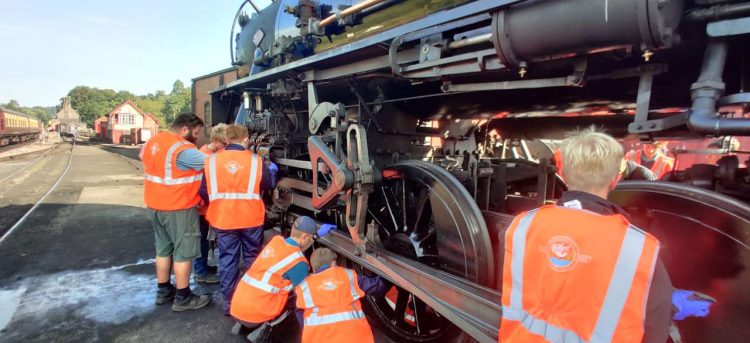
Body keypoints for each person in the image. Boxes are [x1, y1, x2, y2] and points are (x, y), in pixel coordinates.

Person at [500, 129, 714, 342]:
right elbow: (652, 327)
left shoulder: (523, 224)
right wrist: (668, 303)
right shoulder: (638, 246)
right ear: (615, 179)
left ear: (562, 174)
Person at [198, 124, 277, 315]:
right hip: (251, 218)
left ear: (226, 140)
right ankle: (253, 300)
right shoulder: (256, 161)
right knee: (253, 259)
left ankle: (229, 304)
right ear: (246, 139)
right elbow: (270, 183)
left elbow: (203, 191)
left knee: (227, 260)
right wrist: (272, 170)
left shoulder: (211, 161)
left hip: (223, 219)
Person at [140, 113, 211, 311]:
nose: (196, 138)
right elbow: (212, 165)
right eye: (195, 133)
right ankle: (183, 296)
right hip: (178, 207)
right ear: (184, 129)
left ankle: (164, 290)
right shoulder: (181, 148)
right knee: (183, 253)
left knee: (163, 249)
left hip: (155, 206)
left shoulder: (153, 141)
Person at [295, 248, 389, 343]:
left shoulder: (304, 287)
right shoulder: (348, 276)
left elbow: (300, 314)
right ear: (333, 263)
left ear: (313, 269)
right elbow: (379, 287)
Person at [192, 123, 229, 285]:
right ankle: (200, 272)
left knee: (207, 239)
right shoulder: (203, 157)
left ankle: (204, 267)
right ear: (214, 140)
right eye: (224, 143)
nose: (226, 146)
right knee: (201, 239)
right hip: (204, 207)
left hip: (211, 207)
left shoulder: (209, 153)